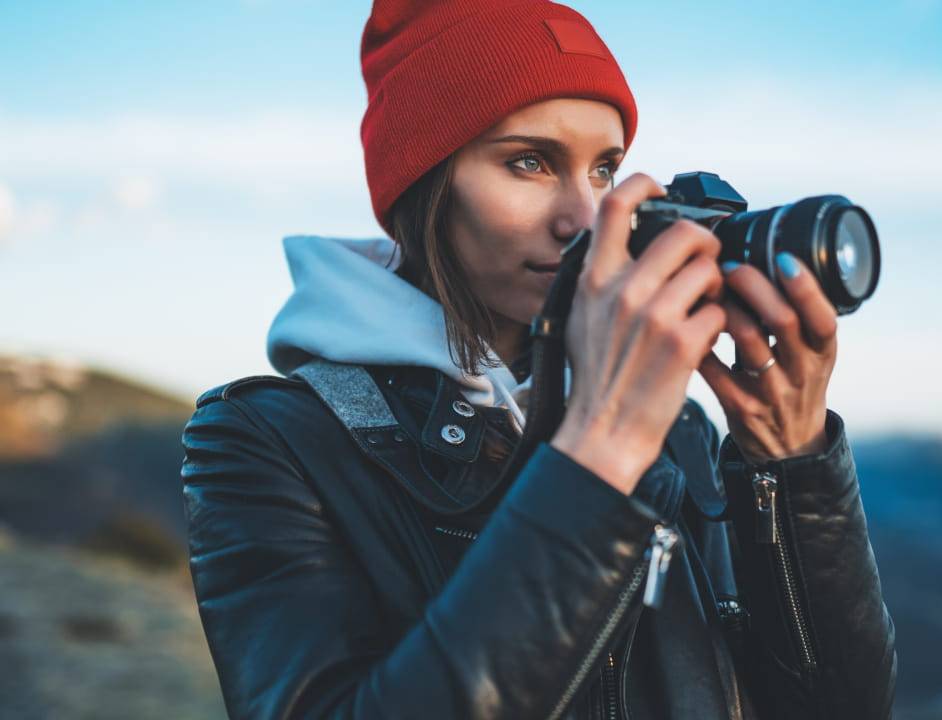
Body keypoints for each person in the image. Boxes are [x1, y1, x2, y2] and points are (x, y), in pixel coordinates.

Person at [179, 1, 897, 718]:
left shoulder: (679, 430)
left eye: (604, 171)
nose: (584, 219)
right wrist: (598, 454)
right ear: (423, 183)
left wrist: (793, 467)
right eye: (528, 162)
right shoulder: (266, 442)